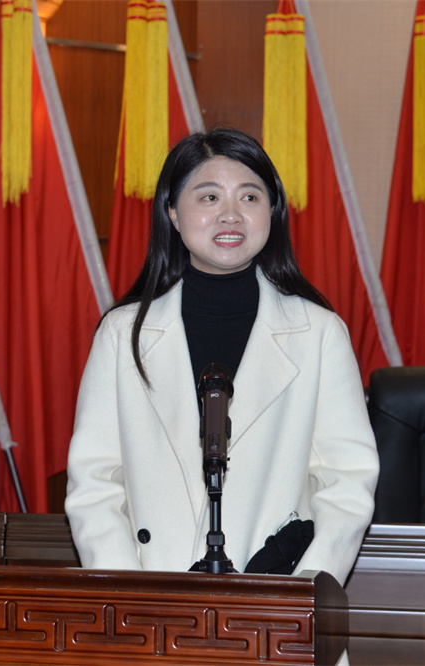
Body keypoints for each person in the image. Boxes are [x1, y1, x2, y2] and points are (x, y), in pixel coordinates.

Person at [65, 128, 379, 587]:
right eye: (209, 197)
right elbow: (95, 483)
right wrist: (132, 596)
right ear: (173, 212)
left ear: (272, 211)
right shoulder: (122, 333)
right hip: (152, 599)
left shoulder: (319, 333)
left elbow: (347, 483)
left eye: (250, 197)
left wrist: (302, 594)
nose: (230, 214)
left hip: (274, 596)